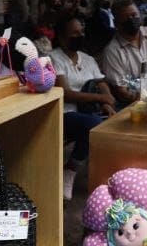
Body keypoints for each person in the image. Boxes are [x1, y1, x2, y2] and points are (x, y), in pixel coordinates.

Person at [48, 16, 115, 201]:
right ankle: (71, 169)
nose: (80, 35)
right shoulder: (53, 58)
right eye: (75, 33)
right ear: (61, 37)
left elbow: (100, 82)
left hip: (89, 110)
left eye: (82, 32)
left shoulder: (88, 59)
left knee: (115, 124)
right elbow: (65, 93)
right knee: (93, 125)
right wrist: (100, 97)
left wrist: (107, 102)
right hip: (65, 113)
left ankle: (105, 177)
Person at [101, 0, 147, 110]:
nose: (131, 19)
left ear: (140, 15)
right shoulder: (112, 51)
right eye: (126, 18)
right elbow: (122, 93)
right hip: (134, 106)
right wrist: (145, 97)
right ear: (116, 24)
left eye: (134, 15)